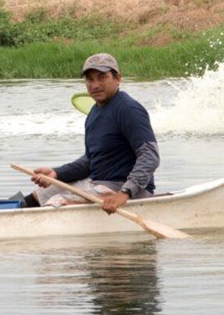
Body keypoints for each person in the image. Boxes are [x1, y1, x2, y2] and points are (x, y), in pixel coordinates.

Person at [25, 52, 159, 214]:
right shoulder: (94, 113)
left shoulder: (128, 109)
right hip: (98, 183)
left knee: (57, 202)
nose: (95, 85)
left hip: (124, 189)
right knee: (37, 197)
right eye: (90, 79)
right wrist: (56, 173)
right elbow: (91, 160)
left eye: (102, 77)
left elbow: (150, 157)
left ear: (118, 78)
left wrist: (125, 192)